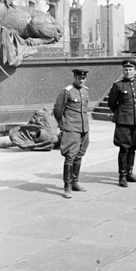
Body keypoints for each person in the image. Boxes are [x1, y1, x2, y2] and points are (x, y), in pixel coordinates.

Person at [108, 59, 136, 188]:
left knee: (134, 147)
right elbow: (112, 104)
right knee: (124, 148)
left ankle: (130, 172)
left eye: (130, 69)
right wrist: (121, 114)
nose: (128, 71)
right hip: (123, 121)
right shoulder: (118, 85)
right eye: (126, 69)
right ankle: (122, 175)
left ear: (135, 71)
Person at [53, 68, 90, 199]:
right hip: (71, 128)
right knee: (70, 156)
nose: (81, 80)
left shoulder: (85, 91)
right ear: (74, 77)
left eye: (83, 78)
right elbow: (57, 110)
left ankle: (75, 182)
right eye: (79, 78)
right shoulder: (66, 92)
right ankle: (67, 186)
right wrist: (63, 125)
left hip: (83, 128)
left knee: (80, 155)